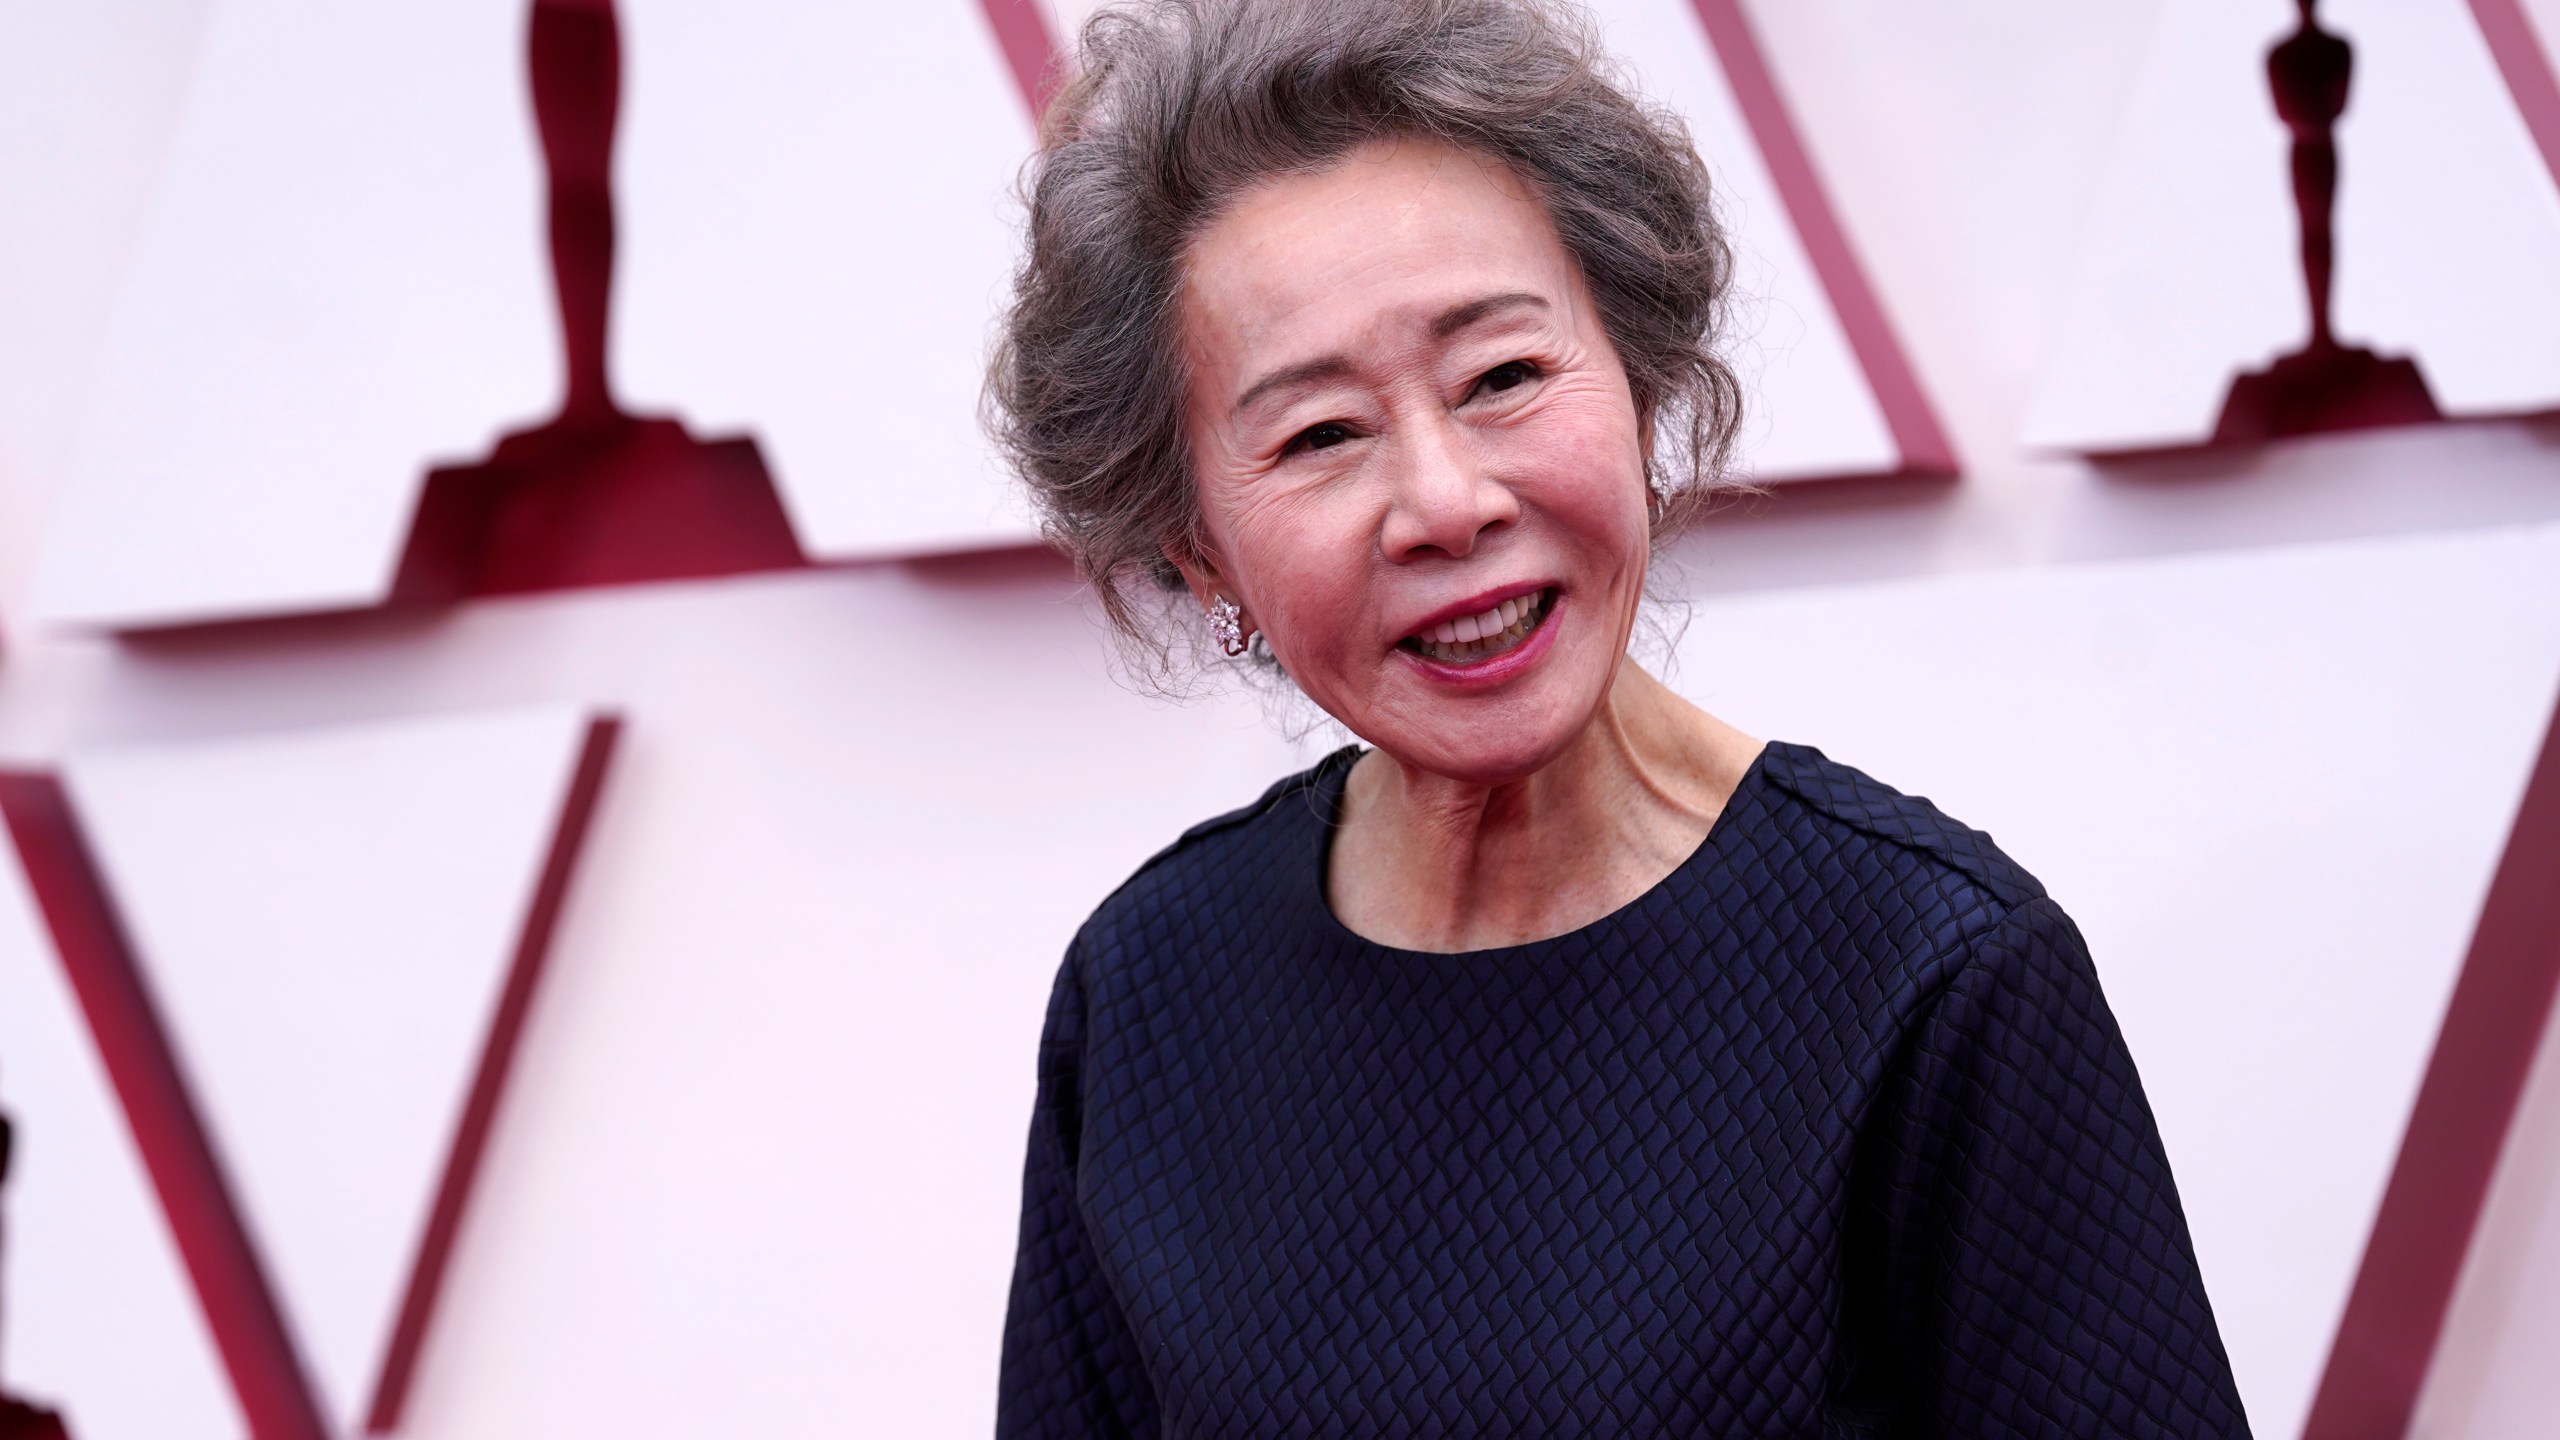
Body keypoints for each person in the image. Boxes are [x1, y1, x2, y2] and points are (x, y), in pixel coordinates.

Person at [987, 2, 2251, 1434]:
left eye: (1505, 377)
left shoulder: (1929, 977)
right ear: (1196, 542)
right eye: (1320, 433)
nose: (1448, 500)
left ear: (1640, 386)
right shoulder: (1153, 990)